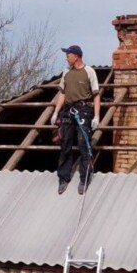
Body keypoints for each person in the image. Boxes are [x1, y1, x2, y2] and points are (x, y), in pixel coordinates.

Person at [52, 45, 101, 194]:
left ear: (76, 56)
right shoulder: (66, 73)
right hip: (68, 111)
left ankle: (84, 178)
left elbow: (96, 95)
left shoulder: (89, 72)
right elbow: (62, 93)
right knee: (65, 143)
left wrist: (97, 116)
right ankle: (63, 178)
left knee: (83, 144)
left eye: (68, 55)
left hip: (83, 111)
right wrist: (56, 112)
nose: (66, 58)